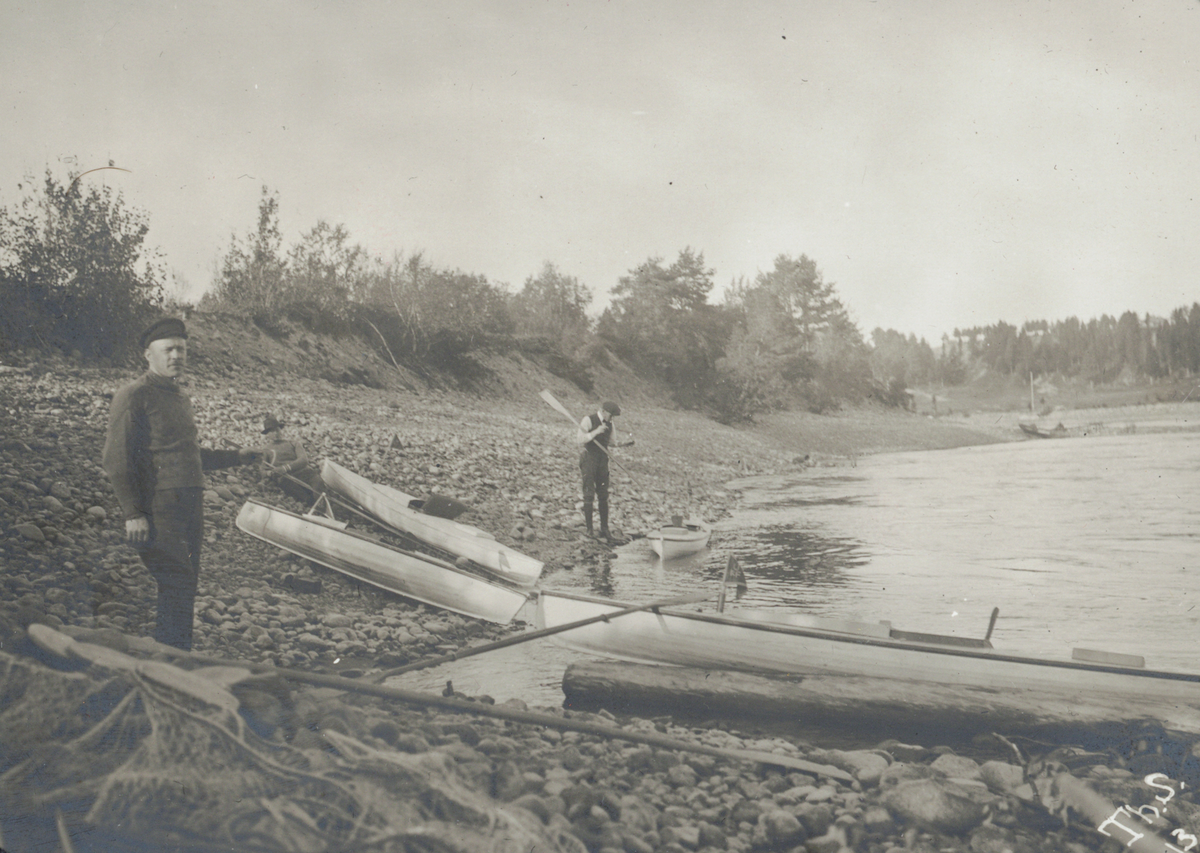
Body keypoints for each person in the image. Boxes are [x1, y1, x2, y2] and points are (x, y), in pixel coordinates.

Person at [102, 317, 259, 650]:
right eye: (168, 349)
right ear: (148, 354)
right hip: (159, 508)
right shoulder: (134, 395)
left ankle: (175, 659)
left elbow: (188, 455)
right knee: (176, 582)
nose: (176, 355)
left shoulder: (177, 395)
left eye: (181, 349)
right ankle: (171, 664)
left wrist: (238, 456)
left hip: (190, 506)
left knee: (184, 586)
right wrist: (132, 513)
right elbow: (116, 459)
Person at [577, 400, 633, 542]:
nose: (612, 418)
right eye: (611, 415)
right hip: (589, 458)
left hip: (603, 459)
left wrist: (623, 444)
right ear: (604, 411)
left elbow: (611, 442)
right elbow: (580, 439)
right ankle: (589, 530)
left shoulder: (610, 424)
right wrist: (596, 431)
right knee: (588, 494)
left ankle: (604, 529)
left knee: (603, 494)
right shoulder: (588, 420)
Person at [259, 413, 322, 500]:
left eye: (277, 429)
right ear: (267, 434)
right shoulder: (266, 450)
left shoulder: (293, 443)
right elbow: (262, 470)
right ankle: (310, 504)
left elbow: (303, 460)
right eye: (272, 431)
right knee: (292, 489)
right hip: (286, 478)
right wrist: (271, 473)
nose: (276, 433)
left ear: (281, 430)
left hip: (304, 472)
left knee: (317, 482)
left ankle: (323, 506)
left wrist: (285, 468)